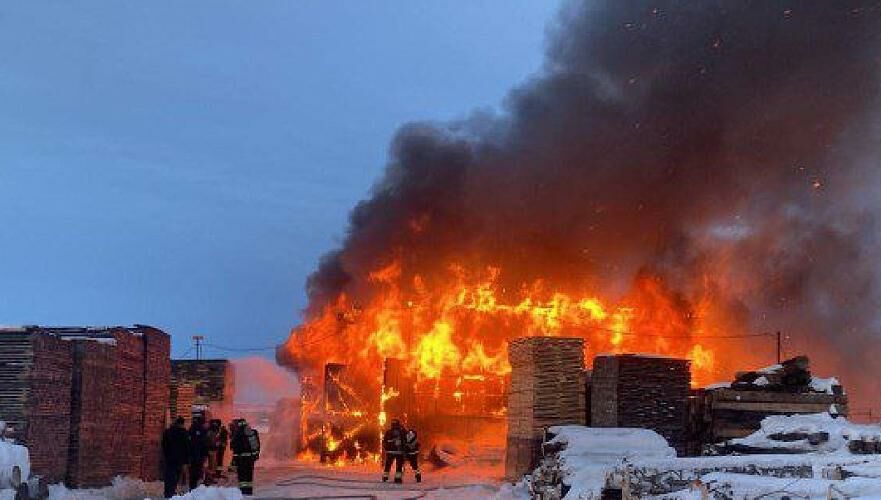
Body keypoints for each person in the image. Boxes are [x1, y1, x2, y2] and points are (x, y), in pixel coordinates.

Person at [161, 417, 190, 498]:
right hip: (180, 459)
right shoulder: (184, 433)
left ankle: (168, 493)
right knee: (176, 476)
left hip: (169, 458)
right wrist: (186, 461)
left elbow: (164, 445)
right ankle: (173, 493)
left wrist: (166, 455)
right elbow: (187, 447)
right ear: (182, 424)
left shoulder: (167, 432)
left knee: (169, 476)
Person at [231, 418, 261, 495]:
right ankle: (249, 491)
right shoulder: (252, 432)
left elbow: (235, 448)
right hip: (250, 458)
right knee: (249, 475)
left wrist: (234, 460)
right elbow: (256, 445)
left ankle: (243, 491)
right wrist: (256, 455)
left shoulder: (237, 434)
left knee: (242, 475)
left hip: (241, 458)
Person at [188, 416, 210, 490]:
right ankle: (196, 486)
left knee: (193, 470)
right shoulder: (203, 430)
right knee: (198, 470)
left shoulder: (191, 429)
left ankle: (192, 486)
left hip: (192, 455)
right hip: (199, 454)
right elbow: (204, 443)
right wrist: (205, 454)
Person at [381, 419, 406, 484]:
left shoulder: (388, 432)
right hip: (399, 452)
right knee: (399, 466)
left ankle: (385, 477)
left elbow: (384, 441)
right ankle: (398, 479)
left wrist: (386, 449)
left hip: (390, 452)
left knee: (388, 465)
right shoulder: (401, 432)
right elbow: (406, 438)